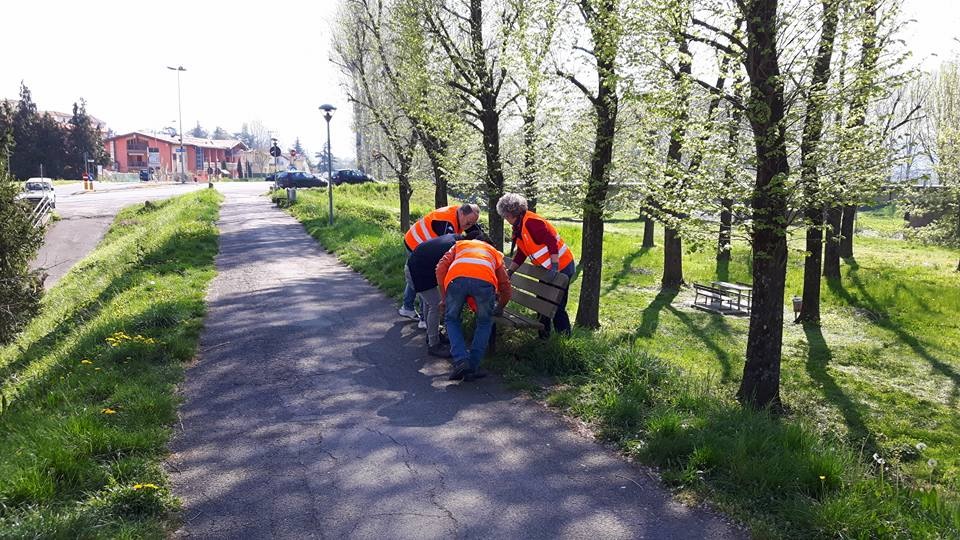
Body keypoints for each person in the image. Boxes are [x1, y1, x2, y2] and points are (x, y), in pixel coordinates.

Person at [496, 193, 576, 337]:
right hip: (547, 269)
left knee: (556, 305)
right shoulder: (519, 226)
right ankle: (543, 338)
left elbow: (552, 242)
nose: (505, 219)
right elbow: (522, 252)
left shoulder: (531, 222)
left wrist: (555, 266)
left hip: (562, 267)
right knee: (542, 304)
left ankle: (565, 338)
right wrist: (510, 272)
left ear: (511, 213)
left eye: (505, 216)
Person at [436, 237, 511, 381]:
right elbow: (505, 284)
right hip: (485, 283)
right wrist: (501, 306)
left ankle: (461, 360)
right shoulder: (494, 253)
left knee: (451, 319)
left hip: (456, 280)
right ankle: (472, 368)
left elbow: (440, 268)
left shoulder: (459, 245)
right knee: (484, 323)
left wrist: (444, 297)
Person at [405, 225, 485, 358]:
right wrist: (445, 297)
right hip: (417, 272)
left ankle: (432, 336)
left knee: (429, 304)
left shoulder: (455, 238)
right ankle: (433, 345)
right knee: (435, 305)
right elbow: (444, 272)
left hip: (418, 268)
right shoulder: (455, 248)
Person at [399, 204, 481, 320]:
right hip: (416, 242)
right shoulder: (446, 223)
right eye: (468, 223)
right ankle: (424, 318)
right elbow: (446, 251)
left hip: (418, 241)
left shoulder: (463, 213)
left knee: (414, 277)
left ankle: (407, 307)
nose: (469, 226)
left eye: (472, 223)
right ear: (462, 213)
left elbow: (476, 231)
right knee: (424, 280)